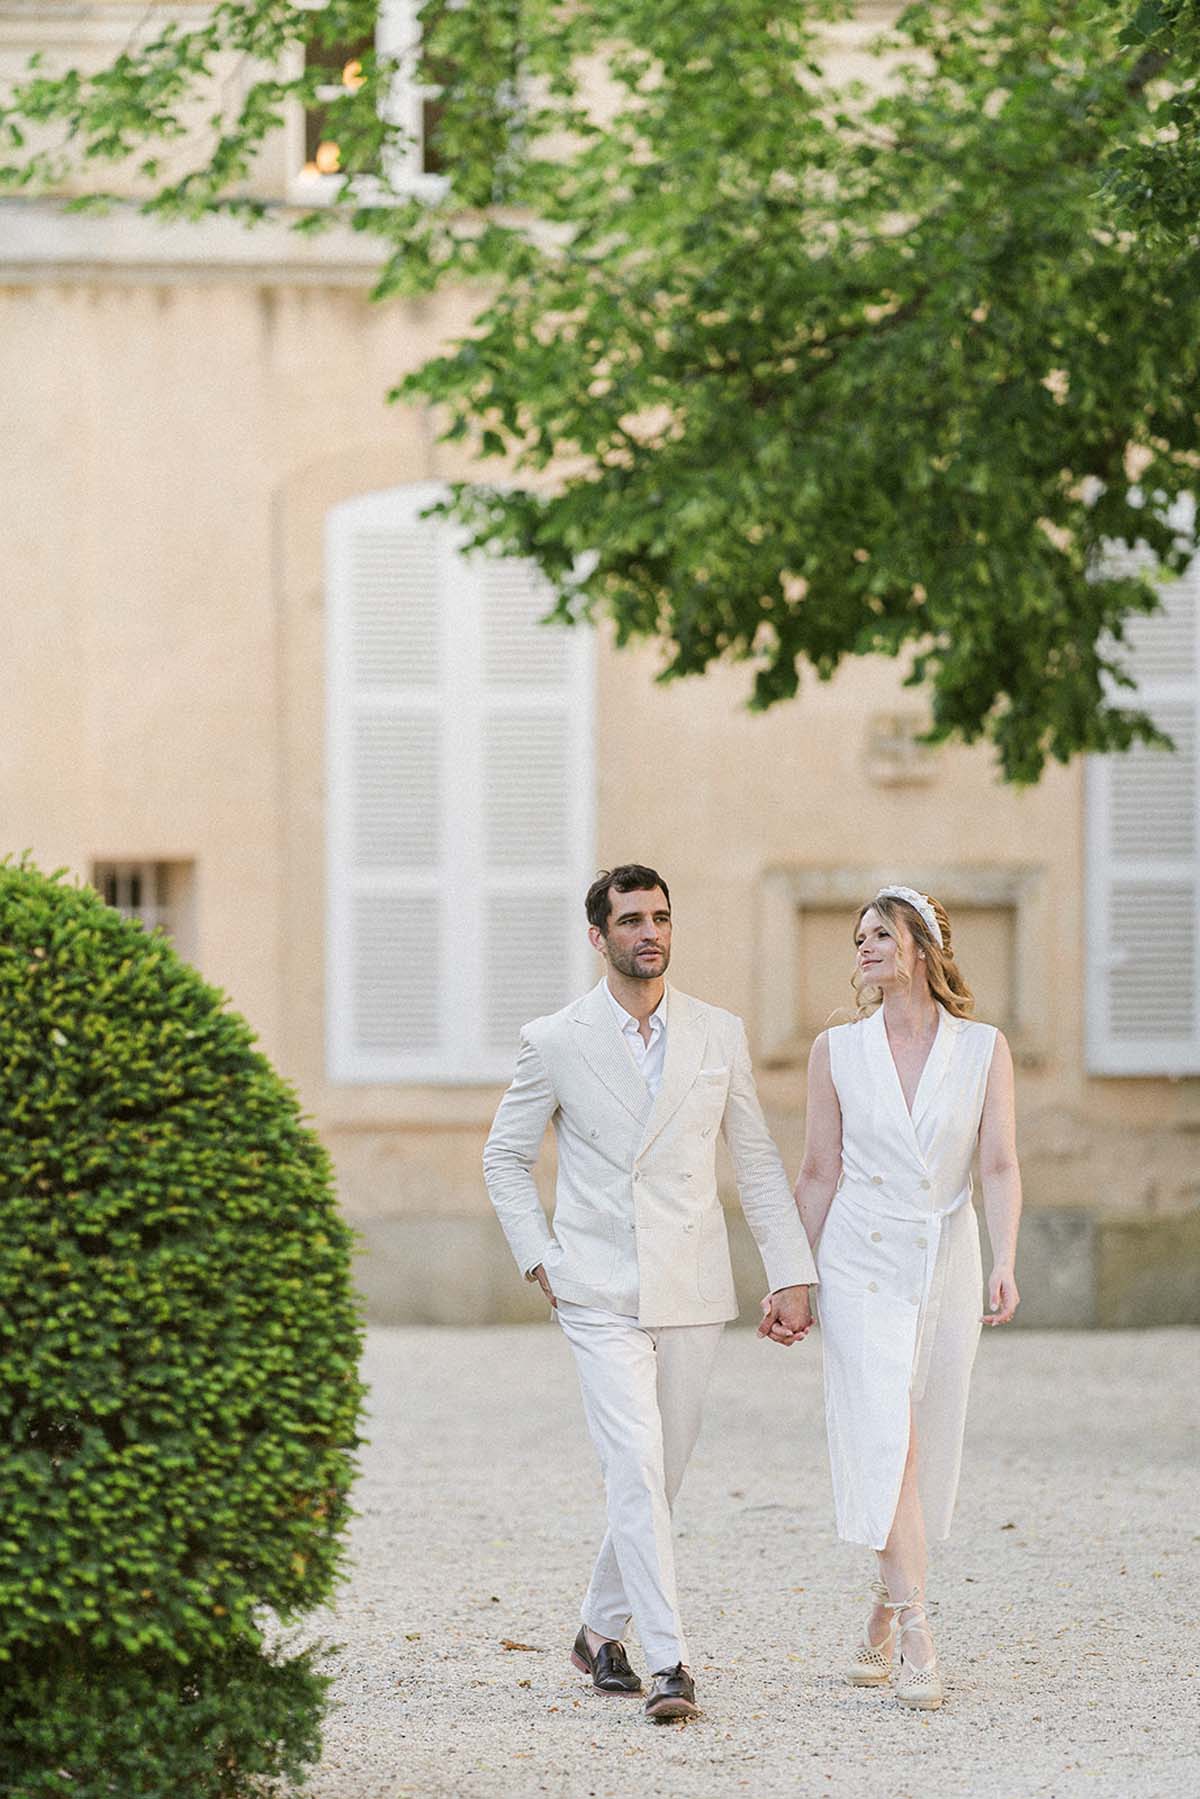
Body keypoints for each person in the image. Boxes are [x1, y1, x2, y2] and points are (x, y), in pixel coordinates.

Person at [483, 864, 818, 1722]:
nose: (650, 932)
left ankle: (597, 1631)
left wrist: (789, 1272)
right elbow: (504, 1157)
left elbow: (755, 1159)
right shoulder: (554, 1038)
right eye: (631, 919)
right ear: (599, 936)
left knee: (658, 1477)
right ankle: (669, 1662)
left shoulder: (718, 1032)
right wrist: (541, 1258)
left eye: (661, 917)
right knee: (633, 1462)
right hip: (595, 1286)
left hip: (694, 1283)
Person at [773, 885, 1021, 1710]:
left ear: (920, 944)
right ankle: (917, 1631)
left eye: (880, 934)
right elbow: (817, 1171)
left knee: (927, 1434)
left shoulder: (984, 1048)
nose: (865, 949)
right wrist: (790, 1274)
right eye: (857, 938)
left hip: (946, 1254)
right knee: (890, 1438)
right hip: (858, 1257)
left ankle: (880, 1607)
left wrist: (1006, 1256)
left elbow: (998, 1164)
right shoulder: (836, 1050)